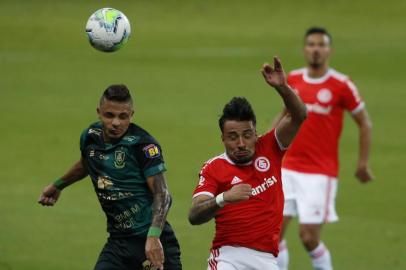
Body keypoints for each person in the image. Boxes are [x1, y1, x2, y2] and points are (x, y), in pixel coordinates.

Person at [38, 85, 182, 270]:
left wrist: (153, 237)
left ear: (132, 115)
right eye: (109, 115)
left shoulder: (143, 145)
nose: (116, 123)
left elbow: (163, 195)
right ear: (99, 112)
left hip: (153, 242)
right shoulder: (90, 136)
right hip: (118, 243)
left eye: (123, 117)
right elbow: (86, 163)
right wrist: (58, 185)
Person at [188, 57, 307, 270]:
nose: (241, 143)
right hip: (228, 257)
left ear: (256, 133)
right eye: (233, 137)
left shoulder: (270, 147)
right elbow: (194, 215)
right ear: (223, 139)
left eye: (247, 135)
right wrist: (224, 198)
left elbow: (299, 115)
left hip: (267, 260)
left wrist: (283, 88)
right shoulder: (214, 167)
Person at [273, 27, 374, 270]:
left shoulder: (341, 85)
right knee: (273, 235)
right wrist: (266, 146)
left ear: (329, 50)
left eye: (321, 45)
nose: (316, 49)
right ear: (304, 49)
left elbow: (364, 123)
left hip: (320, 173)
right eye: (311, 44)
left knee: (308, 237)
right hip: (288, 167)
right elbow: (284, 115)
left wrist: (362, 163)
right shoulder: (294, 79)